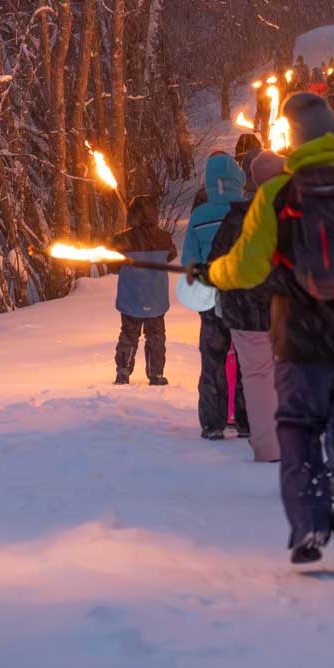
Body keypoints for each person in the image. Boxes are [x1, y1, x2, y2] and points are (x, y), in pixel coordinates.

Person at [195, 93, 334, 578]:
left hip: (300, 338)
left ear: (294, 140)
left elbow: (248, 266)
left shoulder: (278, 193)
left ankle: (309, 523)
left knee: (300, 429)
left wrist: (212, 273)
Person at [209, 150, 286, 462]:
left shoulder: (236, 218)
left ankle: (267, 446)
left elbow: (216, 262)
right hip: (282, 310)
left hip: (243, 311)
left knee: (255, 376)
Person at [182, 152, 250, 439]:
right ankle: (249, 420)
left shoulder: (199, 216)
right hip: (245, 299)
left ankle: (212, 422)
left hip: (210, 299)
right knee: (248, 360)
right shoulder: (247, 211)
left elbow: (190, 261)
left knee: (212, 360)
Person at [109, 196, 177, 386]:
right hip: (155, 297)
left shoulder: (122, 239)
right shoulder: (164, 238)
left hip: (131, 296)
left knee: (129, 334)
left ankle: (123, 372)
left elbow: (112, 266)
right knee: (156, 335)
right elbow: (171, 256)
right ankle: (156, 375)